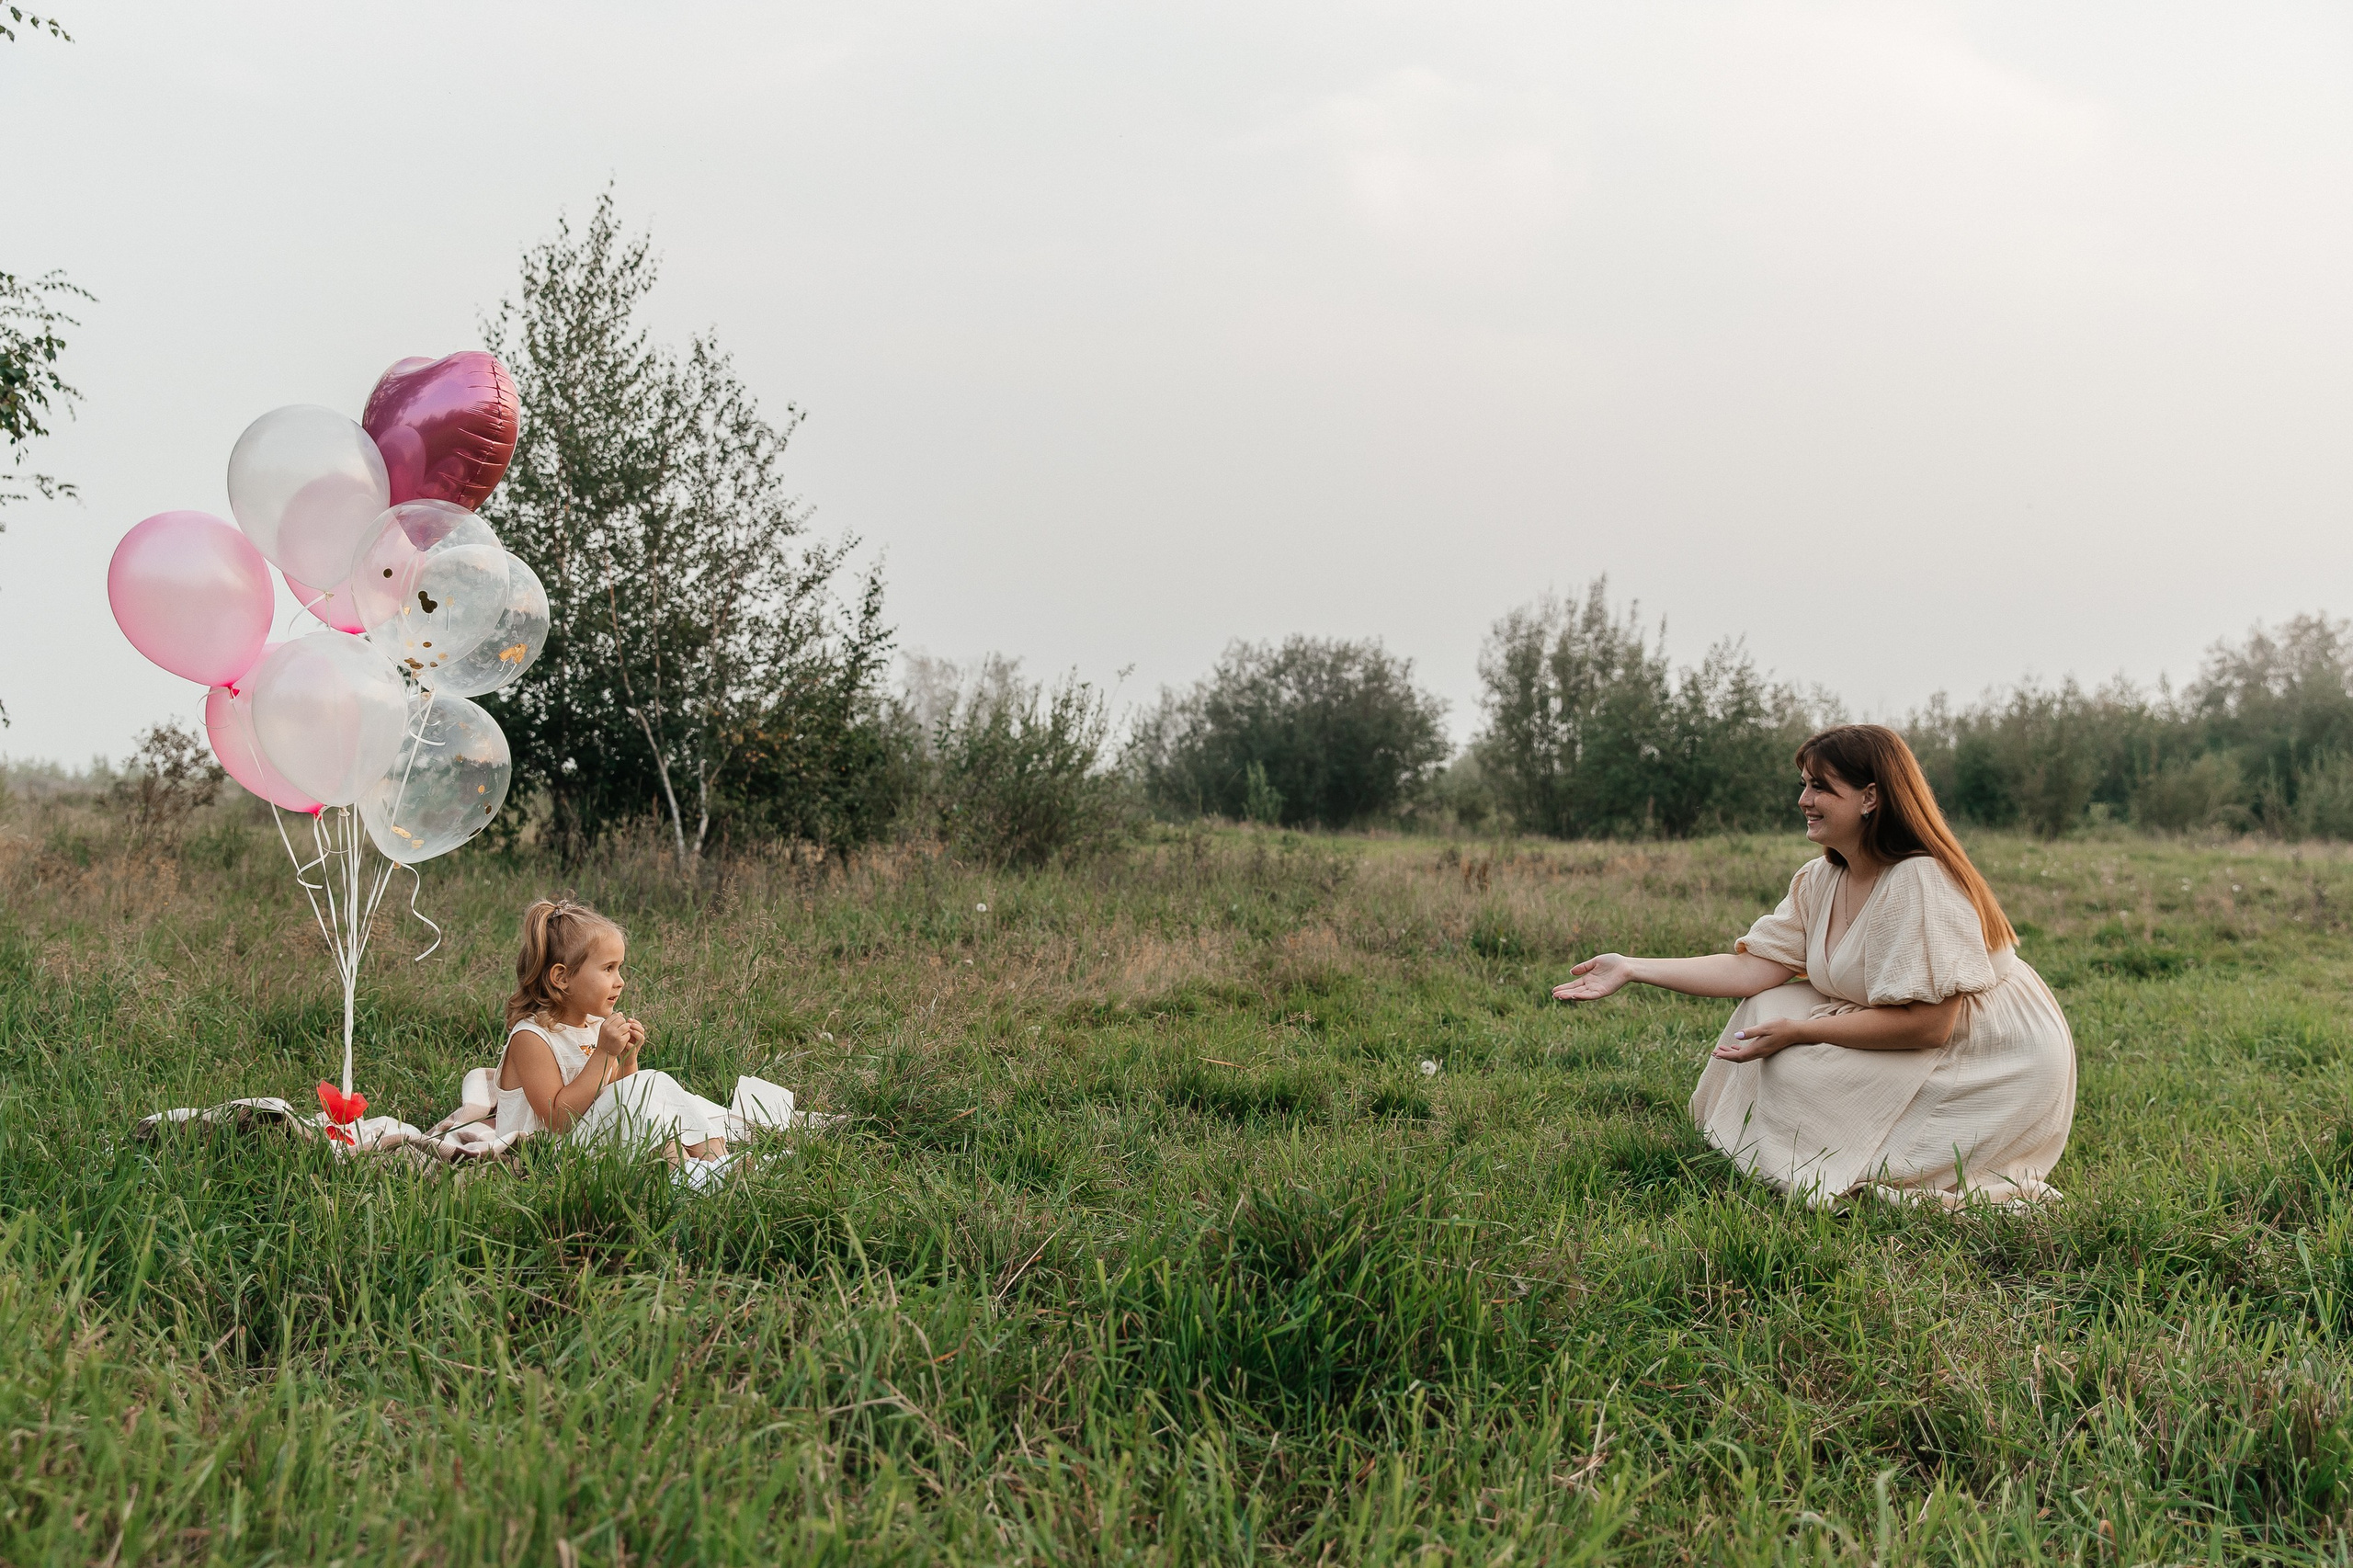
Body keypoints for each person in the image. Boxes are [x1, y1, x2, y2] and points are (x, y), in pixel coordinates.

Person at [1552, 724, 2075, 1207]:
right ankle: (1776, 1145)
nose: (1804, 800)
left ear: (1871, 796)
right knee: (1765, 1004)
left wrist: (1803, 1032)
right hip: (1916, 1025)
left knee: (1791, 1053)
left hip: (1987, 1055)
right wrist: (1633, 967)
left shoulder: (1919, 880)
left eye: (1821, 787)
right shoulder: (1821, 879)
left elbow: (1931, 1024)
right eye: (1804, 785)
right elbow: (1751, 970)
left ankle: (1840, 1159)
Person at [495, 898, 732, 1164]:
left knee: (651, 1084)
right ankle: (688, 1173)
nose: (620, 981)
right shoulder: (532, 1038)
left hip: (589, 1142)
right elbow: (558, 1120)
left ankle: (717, 1161)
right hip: (549, 1157)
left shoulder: (594, 1027)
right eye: (608, 969)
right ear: (562, 978)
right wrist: (605, 1053)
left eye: (619, 968)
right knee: (649, 1088)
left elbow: (618, 1095)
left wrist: (628, 1058)